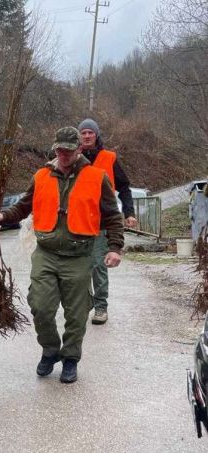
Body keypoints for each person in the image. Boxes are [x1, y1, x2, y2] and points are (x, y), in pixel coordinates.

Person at [0, 127, 124, 383]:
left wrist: (115, 248)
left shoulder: (97, 177)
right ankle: (50, 351)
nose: (62, 154)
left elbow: (113, 216)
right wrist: (4, 216)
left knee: (76, 312)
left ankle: (70, 358)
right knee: (40, 306)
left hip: (79, 254)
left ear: (79, 150)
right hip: (46, 253)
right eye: (59, 149)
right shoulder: (41, 176)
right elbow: (23, 206)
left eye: (68, 150)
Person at [78, 118, 137, 325]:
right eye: (83, 133)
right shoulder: (73, 157)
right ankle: (85, 303)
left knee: (98, 266)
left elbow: (124, 187)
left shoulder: (109, 158)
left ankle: (101, 307)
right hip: (77, 223)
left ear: (96, 135)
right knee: (78, 267)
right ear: (79, 136)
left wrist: (129, 212)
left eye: (90, 133)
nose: (86, 136)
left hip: (102, 222)